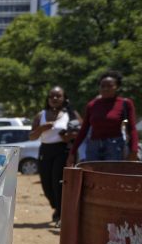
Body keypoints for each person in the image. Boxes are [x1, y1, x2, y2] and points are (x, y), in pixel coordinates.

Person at [30, 86, 82, 224]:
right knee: (46, 184)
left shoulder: (71, 114)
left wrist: (69, 135)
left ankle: (61, 214)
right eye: (51, 96)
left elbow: (81, 133)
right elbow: (31, 137)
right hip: (45, 150)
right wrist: (41, 128)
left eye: (58, 96)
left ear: (64, 98)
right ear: (47, 99)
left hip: (63, 150)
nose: (54, 98)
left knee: (58, 182)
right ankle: (57, 208)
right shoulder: (41, 115)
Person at [67, 70, 138, 165]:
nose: (105, 89)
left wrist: (134, 151)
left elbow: (132, 129)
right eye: (102, 86)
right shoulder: (92, 105)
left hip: (114, 147)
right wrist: (72, 153)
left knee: (111, 176)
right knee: (93, 177)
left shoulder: (125, 103)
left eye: (110, 86)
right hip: (93, 147)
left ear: (117, 87)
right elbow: (83, 130)